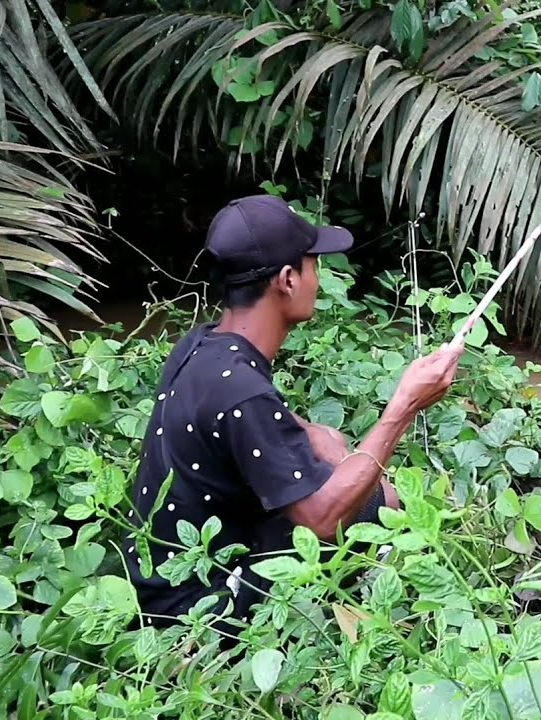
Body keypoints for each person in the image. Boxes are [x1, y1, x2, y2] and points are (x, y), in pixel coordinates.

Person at [123, 195, 464, 629]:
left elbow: (248, 417)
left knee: (353, 470)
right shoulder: (243, 393)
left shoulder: (201, 344)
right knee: (379, 506)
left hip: (157, 576)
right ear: (287, 279)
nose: (317, 279)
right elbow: (323, 519)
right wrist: (402, 408)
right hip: (197, 606)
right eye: (312, 265)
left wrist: (313, 433)